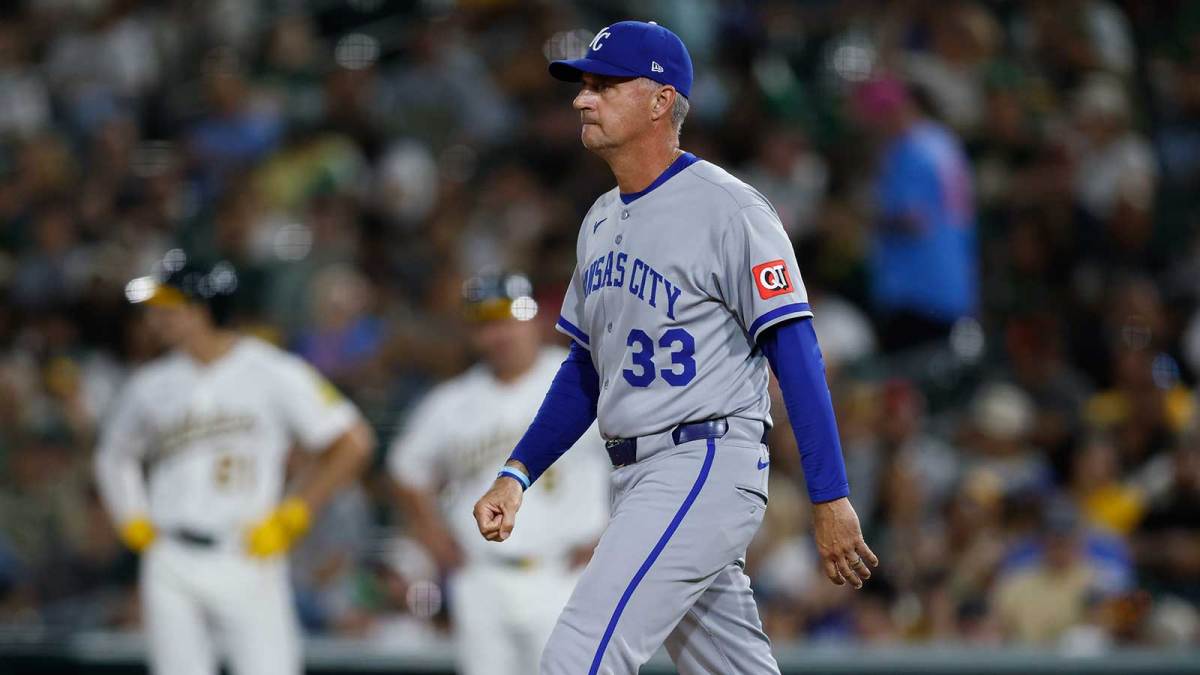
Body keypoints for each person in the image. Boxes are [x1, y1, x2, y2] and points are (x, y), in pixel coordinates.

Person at [471, 21, 876, 674]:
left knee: (580, 653)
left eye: (604, 84)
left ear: (661, 100)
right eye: (584, 85)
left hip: (704, 459)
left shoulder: (729, 209)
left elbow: (796, 351)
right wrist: (518, 471)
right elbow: (585, 371)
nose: (582, 97)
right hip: (638, 474)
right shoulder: (599, 220)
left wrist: (829, 495)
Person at [94, 251, 373, 675]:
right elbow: (114, 456)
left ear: (203, 308)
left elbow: (353, 441)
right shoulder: (149, 384)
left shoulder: (270, 369)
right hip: (171, 553)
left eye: (171, 306)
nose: (158, 317)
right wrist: (131, 515)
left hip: (245, 549)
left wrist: (294, 513)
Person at [387, 272, 609, 675]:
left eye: (511, 318)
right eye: (488, 323)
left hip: (566, 573)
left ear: (535, 320)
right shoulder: (451, 402)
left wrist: (610, 537)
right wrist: (435, 540)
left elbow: (635, 461)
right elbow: (405, 471)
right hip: (481, 577)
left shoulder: (578, 383)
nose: (501, 333)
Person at [852, 75, 978, 353]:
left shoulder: (908, 151)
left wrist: (861, 219)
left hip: (915, 291)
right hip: (953, 284)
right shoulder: (943, 141)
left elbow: (913, 221)